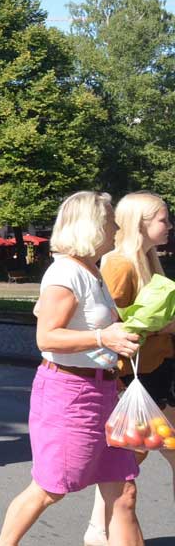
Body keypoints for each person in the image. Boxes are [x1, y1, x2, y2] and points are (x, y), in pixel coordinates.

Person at [0, 191, 143, 545]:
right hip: (70, 396)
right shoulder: (65, 272)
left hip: (103, 391)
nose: (116, 227)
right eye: (110, 220)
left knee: (123, 493)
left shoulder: (90, 270)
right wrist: (103, 338)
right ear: (92, 225)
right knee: (49, 489)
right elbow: (46, 338)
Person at [85, 192, 173, 545]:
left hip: (155, 373)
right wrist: (160, 325)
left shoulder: (147, 260)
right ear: (141, 223)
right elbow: (105, 322)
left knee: (127, 459)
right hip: (135, 378)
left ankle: (98, 531)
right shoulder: (118, 264)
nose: (169, 226)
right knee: (123, 463)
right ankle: (99, 532)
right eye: (163, 219)